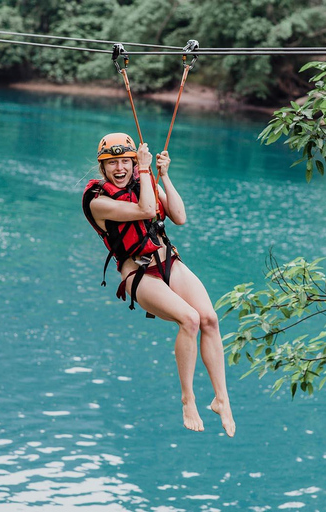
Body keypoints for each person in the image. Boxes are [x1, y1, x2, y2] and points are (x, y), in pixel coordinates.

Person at [82, 133, 236, 437]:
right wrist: (143, 170)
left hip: (168, 262)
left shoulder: (145, 182)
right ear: (103, 169)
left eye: (124, 161)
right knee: (189, 320)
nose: (119, 168)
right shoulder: (97, 201)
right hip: (138, 275)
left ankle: (222, 399)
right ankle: (188, 399)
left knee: (209, 319)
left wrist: (163, 177)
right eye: (112, 163)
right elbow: (146, 211)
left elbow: (179, 217)